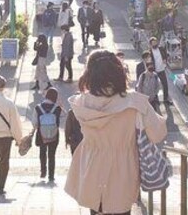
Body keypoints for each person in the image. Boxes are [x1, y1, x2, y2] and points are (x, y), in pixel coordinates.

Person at [66, 50, 167, 215]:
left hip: (91, 169)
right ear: (119, 72)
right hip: (123, 172)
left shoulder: (82, 102)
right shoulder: (134, 101)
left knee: (96, 208)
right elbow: (158, 134)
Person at [34, 87, 62, 183]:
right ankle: (51, 175)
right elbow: (60, 120)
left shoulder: (38, 107)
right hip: (54, 133)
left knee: (42, 152)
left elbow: (34, 122)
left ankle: (43, 171)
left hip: (41, 133)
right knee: (52, 154)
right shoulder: (57, 108)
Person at [148, 37, 173, 106]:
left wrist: (165, 60)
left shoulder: (161, 49)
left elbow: (165, 55)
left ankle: (166, 99)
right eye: (153, 43)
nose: (155, 44)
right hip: (154, 71)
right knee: (155, 86)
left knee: (165, 84)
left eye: (156, 42)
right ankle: (156, 100)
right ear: (150, 44)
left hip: (162, 69)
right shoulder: (150, 52)